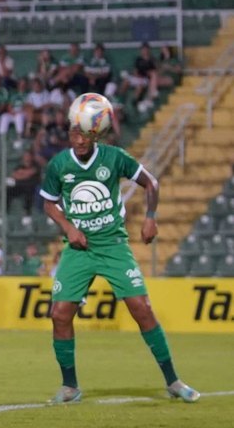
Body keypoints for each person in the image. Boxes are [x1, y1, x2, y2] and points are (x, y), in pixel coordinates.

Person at [39, 115, 200, 404]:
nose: (79, 140)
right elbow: (49, 203)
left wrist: (150, 218)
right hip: (78, 249)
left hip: (113, 245)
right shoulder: (59, 164)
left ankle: (173, 381)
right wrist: (68, 227)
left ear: (95, 135)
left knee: (142, 309)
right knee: (60, 314)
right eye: (74, 134)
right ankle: (70, 386)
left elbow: (151, 183)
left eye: (84, 135)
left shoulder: (114, 157)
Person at [7, 151, 41, 215]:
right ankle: (6, 211)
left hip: (31, 187)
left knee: (29, 192)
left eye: (28, 156)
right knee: (8, 191)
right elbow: (14, 175)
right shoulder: (19, 166)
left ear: (31, 157)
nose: (26, 157)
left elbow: (32, 172)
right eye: (25, 156)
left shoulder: (36, 165)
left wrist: (21, 173)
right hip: (19, 186)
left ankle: (27, 212)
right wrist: (26, 174)